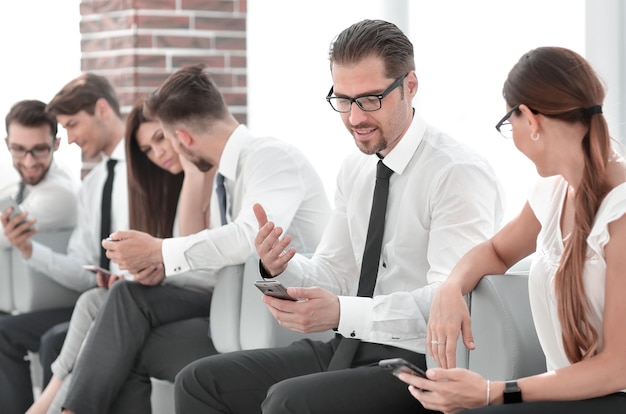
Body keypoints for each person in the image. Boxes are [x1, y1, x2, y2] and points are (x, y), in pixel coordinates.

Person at [173, 19, 504, 414]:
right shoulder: (355, 169)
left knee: (288, 401)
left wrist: (342, 312)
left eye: (369, 99)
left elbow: (447, 301)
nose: (354, 118)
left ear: (410, 86)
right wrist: (281, 267)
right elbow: (334, 273)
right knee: (199, 382)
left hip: (421, 362)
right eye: (343, 100)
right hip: (349, 343)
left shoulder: (456, 172)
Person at [58, 64, 332, 414]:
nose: (162, 154)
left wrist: (158, 249)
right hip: (238, 317)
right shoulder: (227, 175)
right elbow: (223, 262)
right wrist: (163, 267)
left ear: (183, 138)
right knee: (125, 349)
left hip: (286, 329)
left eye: (165, 140)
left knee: (126, 329)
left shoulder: (270, 157)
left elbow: (249, 238)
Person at [399, 46, 626, 413]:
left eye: (509, 124)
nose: (514, 136)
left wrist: (493, 392)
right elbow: (496, 252)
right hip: (570, 398)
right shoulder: (553, 194)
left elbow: (618, 368)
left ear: (529, 119)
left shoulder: (621, 211)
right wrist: (451, 286)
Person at [26, 97, 216, 414]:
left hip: (203, 294)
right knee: (95, 301)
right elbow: (180, 256)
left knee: (121, 306)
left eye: (160, 139)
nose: (159, 154)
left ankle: (60, 408)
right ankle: (51, 400)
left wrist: (161, 266)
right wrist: (147, 270)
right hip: (173, 291)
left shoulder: (203, 177)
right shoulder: (171, 185)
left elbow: (202, 260)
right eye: (148, 150)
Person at [0, 73, 128, 414]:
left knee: (54, 339)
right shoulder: (93, 186)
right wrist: (30, 250)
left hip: (125, 300)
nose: (69, 140)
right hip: (98, 295)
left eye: (71, 125)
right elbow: (84, 269)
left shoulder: (133, 176)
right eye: (19, 149)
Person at [0, 99, 78, 250]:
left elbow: (3, 234)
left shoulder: (62, 193)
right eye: (18, 149)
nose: (29, 162)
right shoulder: (8, 173)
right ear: (7, 143)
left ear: (56, 144)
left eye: (40, 149)